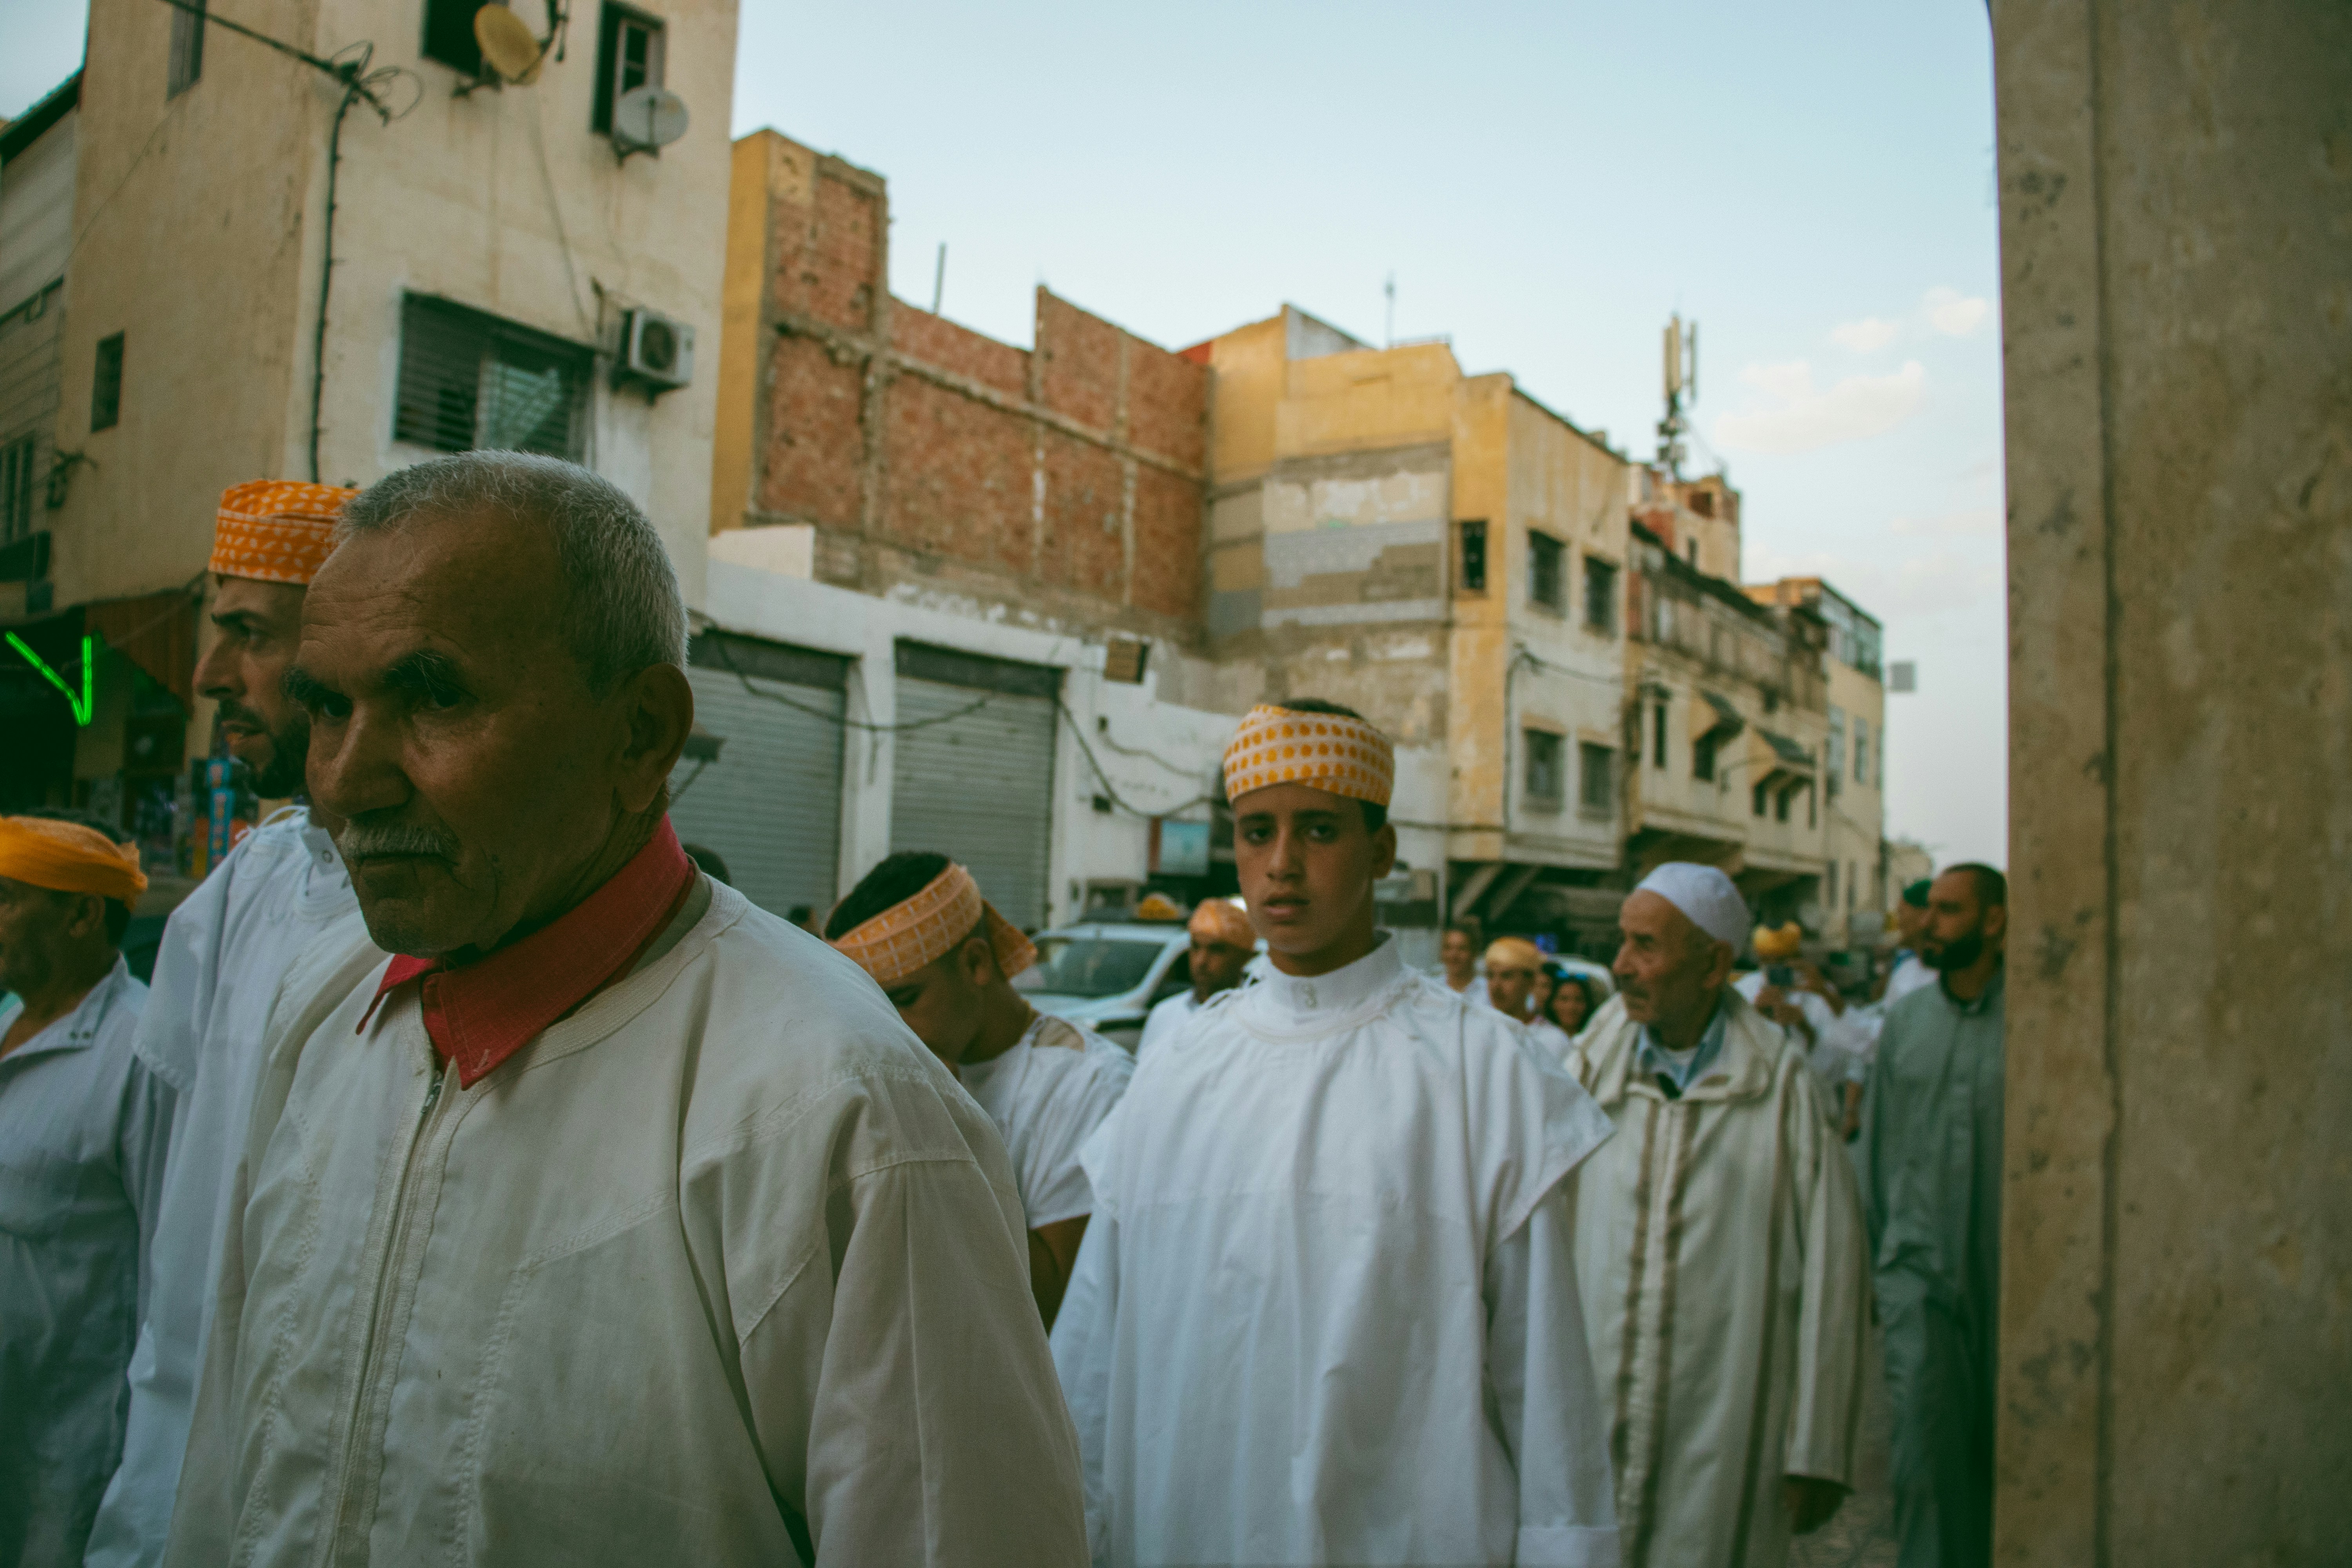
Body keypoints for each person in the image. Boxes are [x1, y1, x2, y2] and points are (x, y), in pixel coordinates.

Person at [164, 453, 1085, 1567]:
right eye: (326, 707)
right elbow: (230, 1474)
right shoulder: (325, 1015)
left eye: (436, 697)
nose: (348, 780)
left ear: (641, 736)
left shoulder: (845, 1119)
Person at [1051, 700, 1621, 1567]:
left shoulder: (1484, 1073)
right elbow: (1092, 1354)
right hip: (1179, 1529)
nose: (1281, 865)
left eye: (1318, 829)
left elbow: (1543, 1383)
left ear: (1381, 851)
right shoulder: (1175, 1071)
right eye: (1256, 831)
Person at [83, 481, 365, 1568]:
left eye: (248, 634)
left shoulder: (463, 923)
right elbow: (172, 1201)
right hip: (166, 1472)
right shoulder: (241, 893)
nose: (207, 678)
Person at [1563, 863, 1871, 1567]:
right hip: (1593, 1402)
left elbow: (1834, 1271)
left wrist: (1818, 1448)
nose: (1621, 966)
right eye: (1623, 941)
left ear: (1713, 966)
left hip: (1728, 1420)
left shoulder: (1783, 1087)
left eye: (1646, 946)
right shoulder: (1587, 1071)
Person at [828, 853, 1132, 1326]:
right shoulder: (899, 1071)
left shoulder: (1088, 1082)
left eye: (906, 1000)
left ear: (976, 964)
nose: (891, 1029)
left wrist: (939, 1120)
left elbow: (1057, 1305)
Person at [0, 814, 171, 1566]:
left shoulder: (140, 1053)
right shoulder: (6, 1016)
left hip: (69, 1441)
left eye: (6, 899)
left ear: (81, 915)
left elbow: (174, 1261)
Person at [1862, 864, 2007, 1568]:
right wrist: (1874, 1266)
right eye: (1928, 912)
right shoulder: (1907, 1022)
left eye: (1948, 911)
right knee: (1924, 1462)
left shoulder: (2040, 1018)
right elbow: (1879, 1147)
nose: (1927, 924)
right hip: (1918, 1275)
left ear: (1994, 921)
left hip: (2013, 1278)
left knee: (2011, 1462)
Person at [1737, 921, 1869, 1138]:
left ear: (1796, 958)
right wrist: (1753, 1016)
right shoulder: (1745, 992)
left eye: (1781, 961)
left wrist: (1805, 1029)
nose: (1774, 968)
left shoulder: (1818, 993)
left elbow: (1850, 1057)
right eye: (1767, 961)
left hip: (1811, 1106)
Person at [1136, 896, 1256, 1062]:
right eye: (1196, 947)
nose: (1201, 961)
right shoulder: (1165, 1015)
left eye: (1216, 950)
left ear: (1243, 957)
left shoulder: (1257, 1018)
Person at [1878, 879, 1936, 1006]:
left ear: (1923, 915)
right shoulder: (1908, 966)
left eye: (1901, 914)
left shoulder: (1945, 976)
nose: (1899, 924)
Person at [1437, 918, 1488, 1005]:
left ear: (1474, 953)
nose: (1454, 956)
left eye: (1462, 949)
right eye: (1448, 948)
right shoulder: (1433, 989)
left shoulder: (1488, 992)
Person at [1548, 968, 1600, 1038]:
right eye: (1564, 999)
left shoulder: (1594, 1039)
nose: (1571, 1007)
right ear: (1553, 1003)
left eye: (1578, 1000)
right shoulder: (1539, 1037)